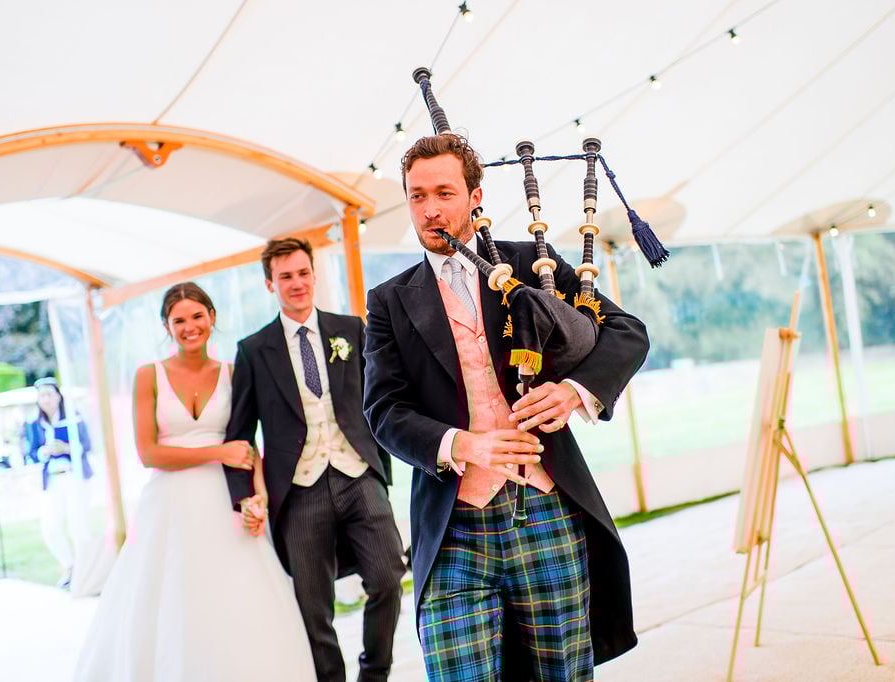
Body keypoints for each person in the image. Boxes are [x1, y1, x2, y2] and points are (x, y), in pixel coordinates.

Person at [362, 133, 650, 680]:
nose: (429, 208)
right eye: (417, 196)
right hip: (454, 528)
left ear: (475, 196)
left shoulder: (530, 263)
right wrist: (463, 444)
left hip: (547, 509)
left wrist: (573, 392)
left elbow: (625, 333)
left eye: (443, 192)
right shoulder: (390, 301)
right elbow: (384, 410)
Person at [75, 282, 315, 681]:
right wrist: (217, 452)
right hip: (168, 505)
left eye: (197, 316)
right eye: (179, 320)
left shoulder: (234, 373)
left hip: (225, 502)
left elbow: (247, 442)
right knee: (170, 597)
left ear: (212, 318)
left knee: (235, 594)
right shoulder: (148, 376)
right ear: (167, 326)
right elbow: (149, 453)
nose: (190, 326)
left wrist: (256, 497)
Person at [224, 237, 406, 682]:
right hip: (298, 488)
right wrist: (245, 496)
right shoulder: (254, 349)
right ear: (270, 284)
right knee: (312, 603)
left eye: (303, 273)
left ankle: (374, 674)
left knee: (387, 576)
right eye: (285, 276)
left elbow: (378, 400)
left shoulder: (352, 329)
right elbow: (239, 433)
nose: (297, 283)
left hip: (358, 473)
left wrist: (381, 464)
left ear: (313, 274)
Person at [25, 377, 93, 587]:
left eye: (49, 394)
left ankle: (87, 570)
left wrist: (65, 448)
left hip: (74, 476)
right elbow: (30, 452)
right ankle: (69, 566)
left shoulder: (73, 417)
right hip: (53, 479)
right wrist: (44, 451)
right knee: (50, 527)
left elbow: (86, 444)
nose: (46, 399)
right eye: (42, 395)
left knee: (78, 526)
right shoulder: (35, 424)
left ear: (58, 396)